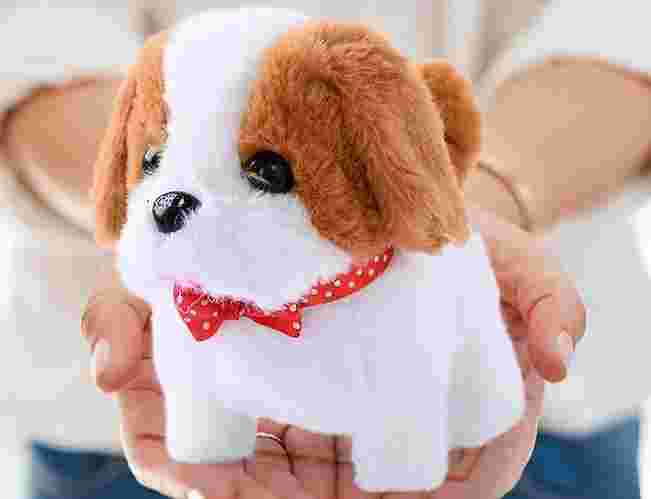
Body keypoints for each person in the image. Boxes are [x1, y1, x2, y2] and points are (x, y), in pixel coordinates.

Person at [0, 0, 643, 497]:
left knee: (452, 388)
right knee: (201, 409)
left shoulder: (420, 291)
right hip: (108, 422)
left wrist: (464, 212)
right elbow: (39, 37)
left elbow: (618, 22)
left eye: (267, 173)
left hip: (555, 417)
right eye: (153, 162)